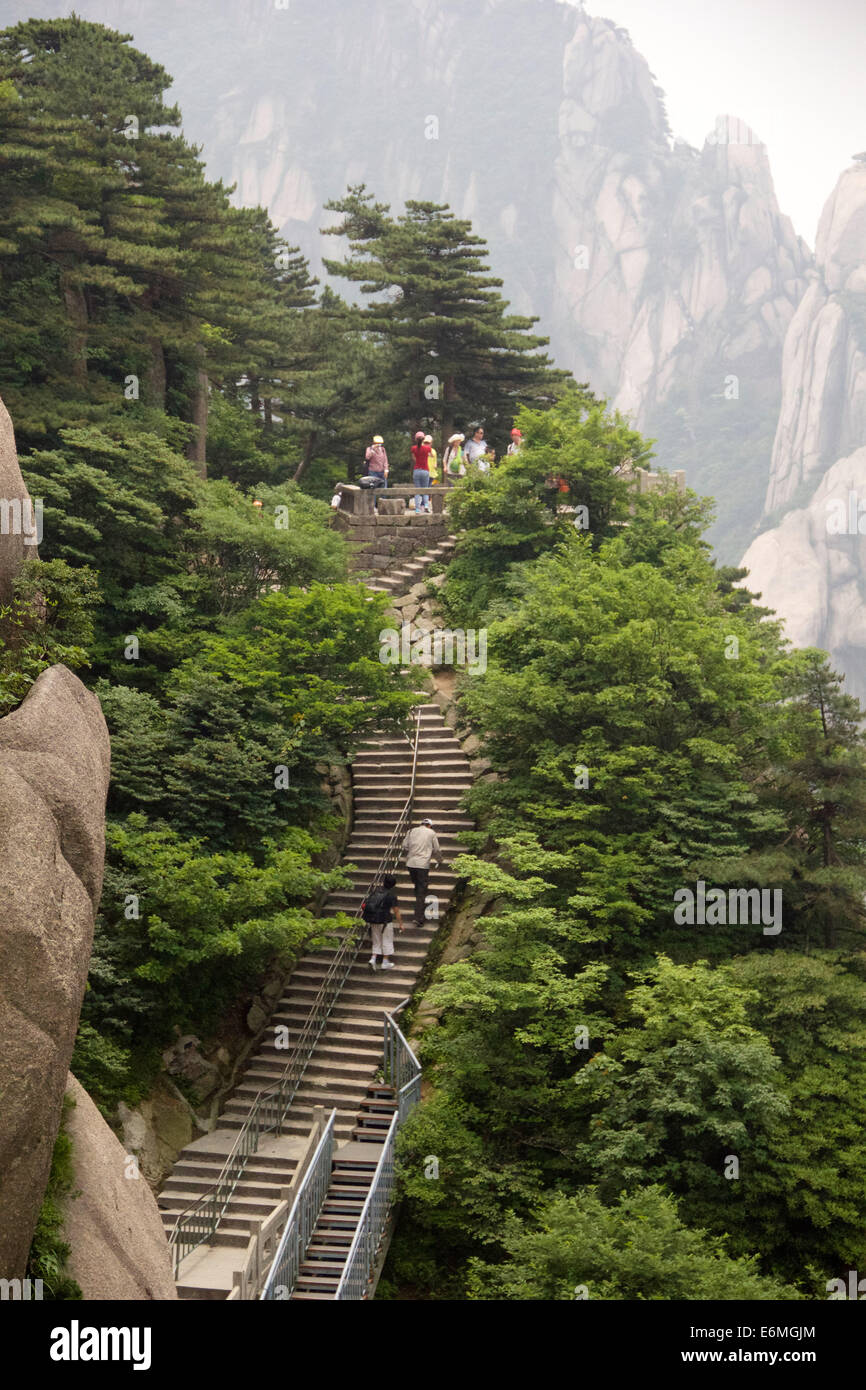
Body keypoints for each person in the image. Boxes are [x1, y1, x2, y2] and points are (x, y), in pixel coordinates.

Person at [401, 817, 443, 928]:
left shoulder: (411, 831)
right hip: (422, 865)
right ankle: (418, 918)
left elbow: (404, 846)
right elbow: (437, 850)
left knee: (417, 887)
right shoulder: (431, 833)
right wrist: (439, 860)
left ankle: (418, 908)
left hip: (410, 864)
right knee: (421, 890)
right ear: (429, 825)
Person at [363, 873, 403, 972]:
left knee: (376, 940)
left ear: (384, 882)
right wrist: (401, 924)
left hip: (373, 919)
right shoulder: (391, 896)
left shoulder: (375, 892)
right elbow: (396, 911)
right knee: (387, 940)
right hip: (385, 921)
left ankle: (373, 959)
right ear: (393, 885)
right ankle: (385, 962)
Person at [411, 431, 432, 513]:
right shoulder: (427, 448)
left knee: (417, 490)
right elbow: (432, 455)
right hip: (425, 470)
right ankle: (426, 505)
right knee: (425, 489)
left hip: (417, 470)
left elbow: (414, 458)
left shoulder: (413, 448)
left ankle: (417, 509)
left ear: (416, 439)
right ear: (423, 439)